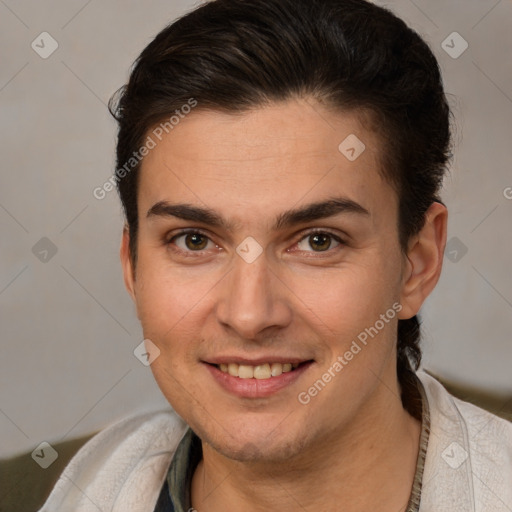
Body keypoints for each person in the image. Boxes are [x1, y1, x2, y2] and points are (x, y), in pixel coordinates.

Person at [29, 0, 512, 510]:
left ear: (418, 262)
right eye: (194, 240)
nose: (249, 315)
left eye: (318, 241)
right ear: (132, 266)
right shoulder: (30, 490)